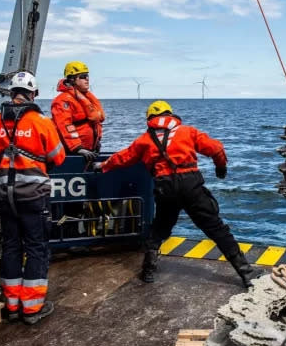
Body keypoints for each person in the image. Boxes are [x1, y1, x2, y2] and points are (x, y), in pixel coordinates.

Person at [93, 100, 263, 288]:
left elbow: (124, 157)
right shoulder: (187, 131)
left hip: (164, 188)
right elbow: (216, 149)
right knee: (216, 229)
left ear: (150, 118)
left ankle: (148, 271)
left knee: (159, 229)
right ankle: (246, 273)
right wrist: (220, 167)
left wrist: (102, 166)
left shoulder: (144, 140)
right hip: (190, 184)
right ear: (170, 114)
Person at [0, 71, 66, 324]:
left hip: (6, 194)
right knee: (37, 247)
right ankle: (31, 308)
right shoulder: (42, 122)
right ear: (34, 94)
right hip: (34, 195)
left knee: (11, 246)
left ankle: (13, 305)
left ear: (11, 93)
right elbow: (58, 157)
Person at [51, 61, 105, 165]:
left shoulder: (86, 98)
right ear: (72, 79)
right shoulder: (62, 101)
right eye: (83, 76)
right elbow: (65, 126)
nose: (87, 79)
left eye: (87, 76)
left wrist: (97, 142)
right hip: (73, 153)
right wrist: (77, 148)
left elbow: (96, 122)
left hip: (89, 151)